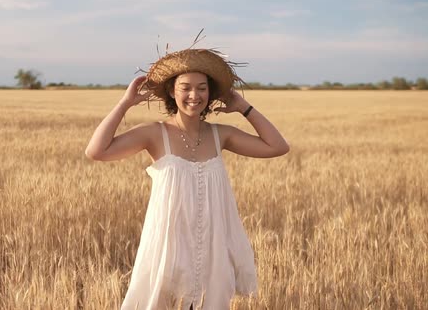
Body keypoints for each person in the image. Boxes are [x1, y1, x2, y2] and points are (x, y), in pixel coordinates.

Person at [85, 48, 289, 309]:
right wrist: (125, 103)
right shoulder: (154, 134)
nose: (194, 95)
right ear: (172, 91)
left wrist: (243, 107)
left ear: (210, 92)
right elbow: (97, 151)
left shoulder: (220, 135)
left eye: (202, 88)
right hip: (168, 251)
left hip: (213, 252)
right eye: (185, 87)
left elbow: (277, 147)